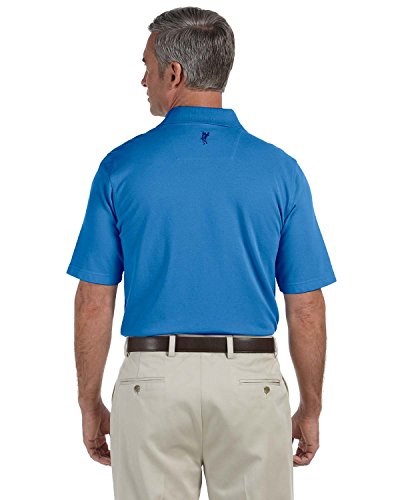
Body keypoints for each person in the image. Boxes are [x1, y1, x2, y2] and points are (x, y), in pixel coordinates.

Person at [66, 6, 337, 500]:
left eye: (147, 66)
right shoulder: (281, 171)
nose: (142, 79)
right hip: (250, 384)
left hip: (152, 382)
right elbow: (305, 306)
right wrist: (311, 407)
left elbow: (93, 300)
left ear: (174, 73)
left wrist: (89, 402)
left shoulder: (120, 168)